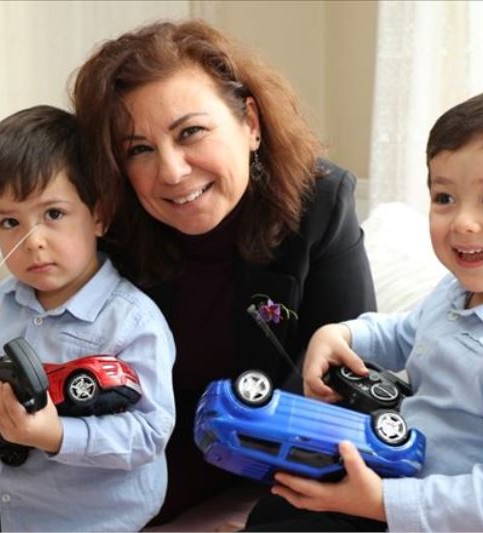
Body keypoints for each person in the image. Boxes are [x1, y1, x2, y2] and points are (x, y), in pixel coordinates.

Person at [244, 86, 483, 532]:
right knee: (275, 508)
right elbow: (405, 334)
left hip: (428, 515)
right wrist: (341, 335)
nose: (462, 222)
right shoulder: (460, 291)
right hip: (390, 480)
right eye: (444, 198)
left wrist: (382, 502)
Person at [71, 20, 377, 525]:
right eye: (139, 149)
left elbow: (348, 383)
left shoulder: (319, 205)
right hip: (143, 454)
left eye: (190, 132)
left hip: (272, 449)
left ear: (250, 123)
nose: (172, 172)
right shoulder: (110, 228)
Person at [0, 105, 176, 532]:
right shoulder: (1, 303)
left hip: (98, 522)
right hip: (12, 513)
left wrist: (55, 434)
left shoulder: (132, 321)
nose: (32, 241)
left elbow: (149, 432)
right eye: (9, 221)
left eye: (53, 214)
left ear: (98, 215)